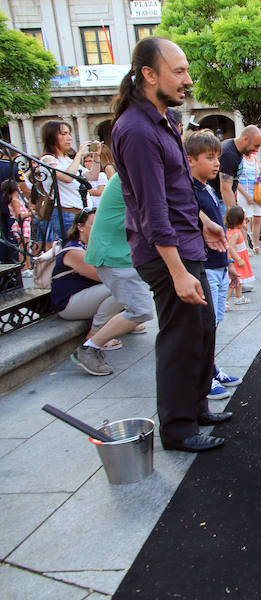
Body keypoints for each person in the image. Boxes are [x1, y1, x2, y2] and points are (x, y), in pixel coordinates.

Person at [111, 37, 230, 453]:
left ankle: (197, 409)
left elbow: (176, 189)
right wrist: (178, 271)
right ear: (148, 74)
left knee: (202, 332)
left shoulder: (166, 120)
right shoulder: (136, 129)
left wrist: (204, 223)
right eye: (178, 71)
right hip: (166, 255)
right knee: (180, 341)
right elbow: (151, 209)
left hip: (188, 244)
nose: (187, 79)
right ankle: (178, 431)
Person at [76, 175, 156, 376]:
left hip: (119, 254)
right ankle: (89, 348)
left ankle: (99, 337)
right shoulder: (134, 175)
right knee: (141, 310)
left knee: (136, 305)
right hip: (114, 255)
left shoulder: (134, 172)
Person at [186, 130, 244, 399]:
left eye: (217, 158)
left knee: (215, 322)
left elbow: (218, 229)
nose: (217, 163)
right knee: (204, 324)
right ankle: (201, 376)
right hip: (204, 265)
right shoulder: (189, 191)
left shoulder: (207, 189)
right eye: (209, 158)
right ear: (190, 160)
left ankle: (211, 367)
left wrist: (229, 263)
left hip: (218, 264)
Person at [52, 209, 127, 375]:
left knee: (126, 283)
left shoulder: (91, 246)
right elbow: (101, 276)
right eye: (94, 224)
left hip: (86, 297)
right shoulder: (73, 251)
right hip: (69, 304)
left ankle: (127, 320)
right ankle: (95, 334)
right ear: (80, 227)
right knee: (120, 286)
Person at [39, 121, 91, 241]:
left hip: (81, 212)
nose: (69, 138)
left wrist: (97, 157)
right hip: (67, 213)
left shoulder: (67, 159)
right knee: (72, 248)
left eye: (69, 133)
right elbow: (67, 177)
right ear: (52, 136)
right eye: (64, 134)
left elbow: (91, 177)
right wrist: (78, 155)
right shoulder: (48, 159)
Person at [225, 205, 254, 296]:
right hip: (237, 258)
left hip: (240, 256)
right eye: (244, 220)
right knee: (235, 281)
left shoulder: (233, 229)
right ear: (238, 221)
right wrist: (238, 259)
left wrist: (244, 226)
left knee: (239, 280)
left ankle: (239, 297)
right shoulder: (235, 233)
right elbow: (230, 247)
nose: (246, 222)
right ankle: (225, 301)